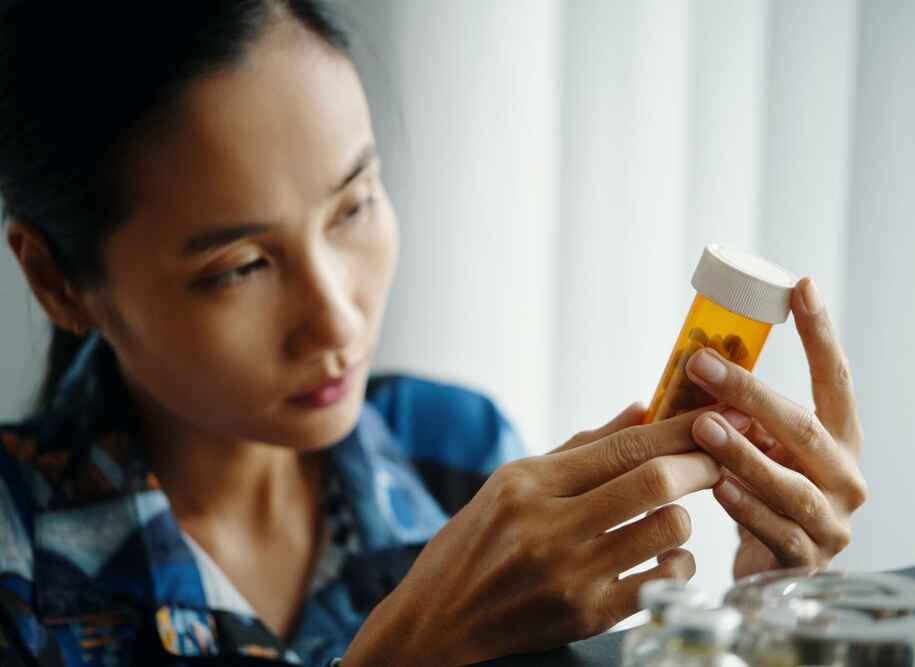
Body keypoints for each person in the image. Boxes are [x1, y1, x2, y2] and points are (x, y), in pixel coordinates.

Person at [0, 2, 867, 665]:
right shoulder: (17, 557)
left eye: (354, 205)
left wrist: (772, 609)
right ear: (55, 279)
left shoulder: (455, 451)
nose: (337, 319)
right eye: (238, 266)